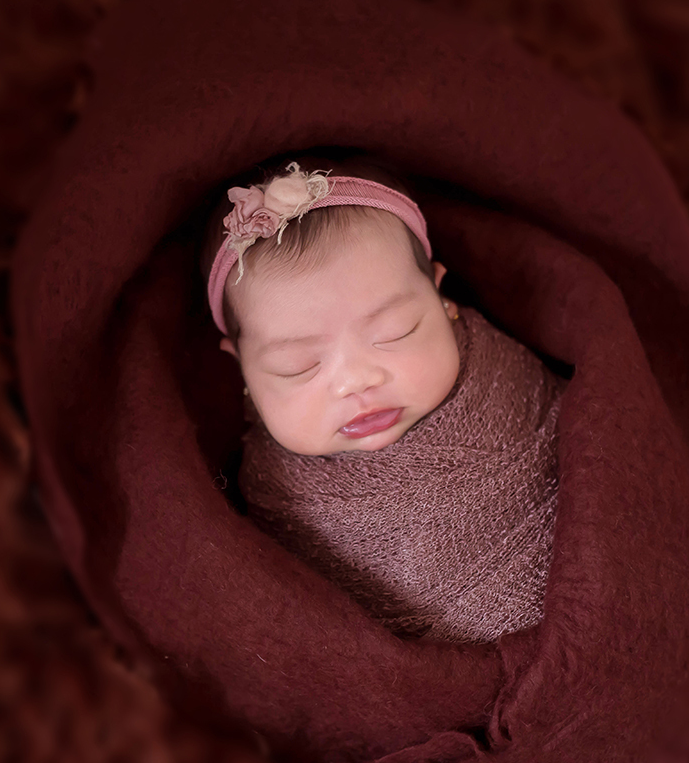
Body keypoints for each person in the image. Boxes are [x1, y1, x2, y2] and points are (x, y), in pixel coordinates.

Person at [201, 157, 565, 642]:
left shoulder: (507, 380)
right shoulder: (273, 495)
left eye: (396, 332)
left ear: (441, 298)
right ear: (242, 367)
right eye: (298, 366)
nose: (356, 381)